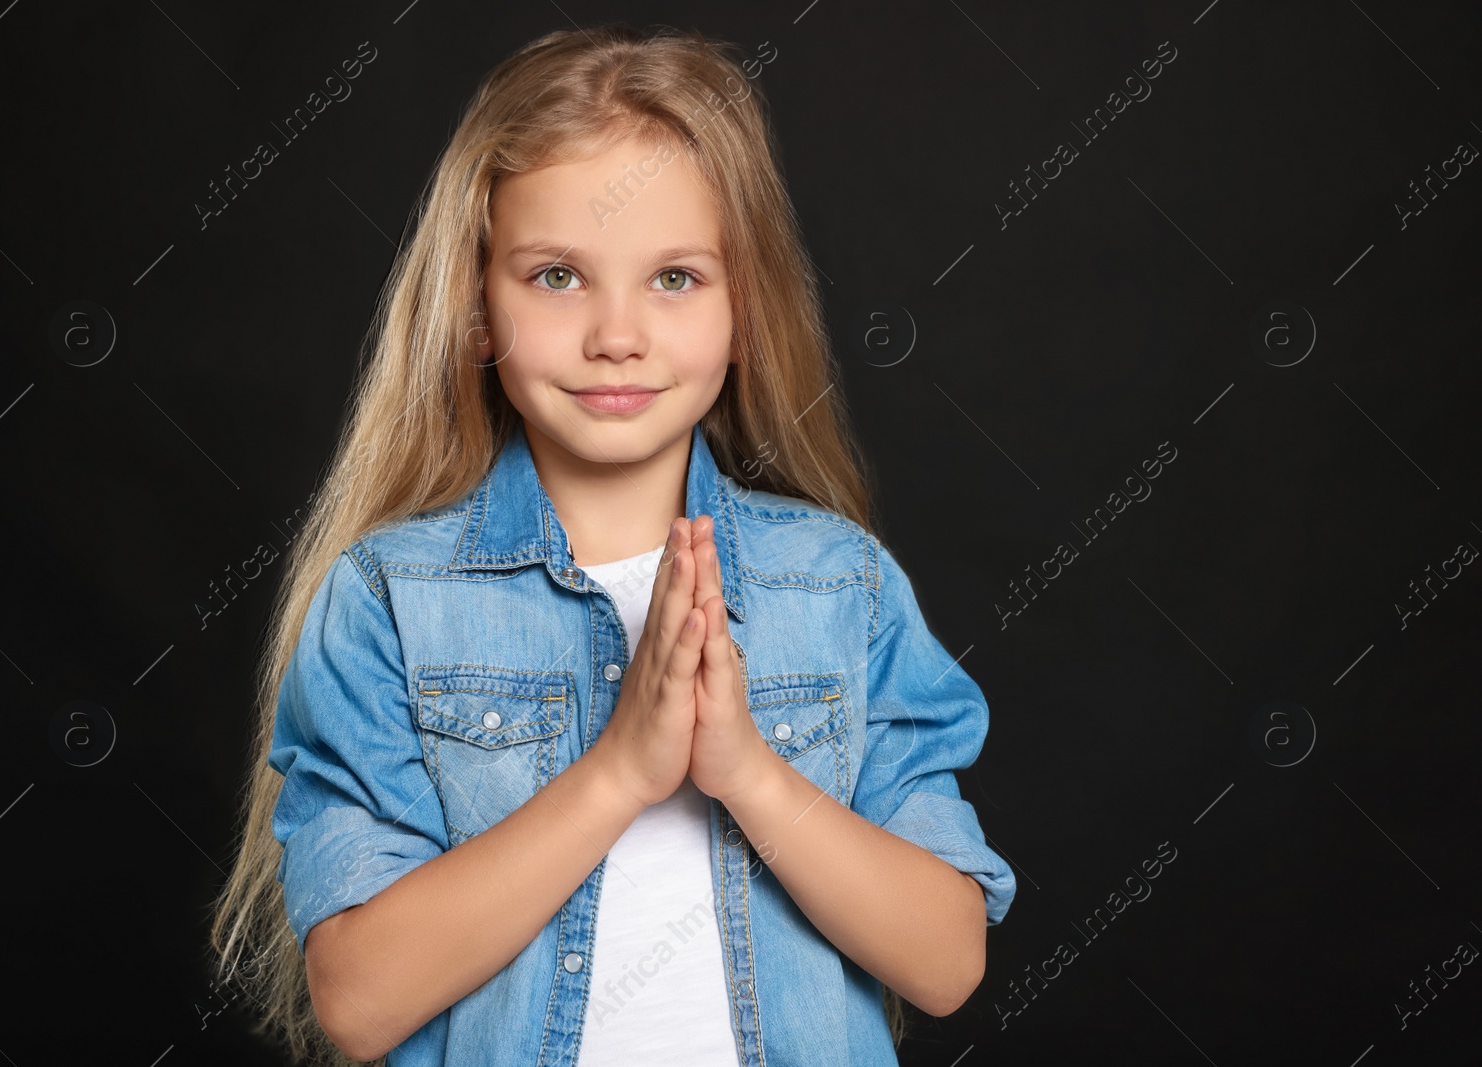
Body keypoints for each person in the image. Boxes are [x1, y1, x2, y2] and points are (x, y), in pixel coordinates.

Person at [209, 23, 1015, 1067]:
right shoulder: (386, 599)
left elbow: (945, 962)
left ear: (742, 305)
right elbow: (359, 1002)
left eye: (674, 277)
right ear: (476, 306)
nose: (616, 333)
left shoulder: (836, 583)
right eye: (556, 276)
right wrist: (620, 771)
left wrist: (746, 773)